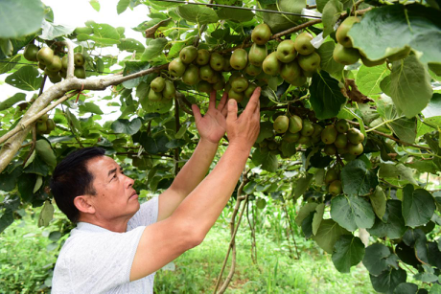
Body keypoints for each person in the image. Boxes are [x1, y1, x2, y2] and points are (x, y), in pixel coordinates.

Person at [50, 88, 261, 293]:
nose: (129, 180)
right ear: (85, 203)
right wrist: (241, 145)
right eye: (114, 177)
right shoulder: (87, 251)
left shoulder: (126, 225)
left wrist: (209, 141)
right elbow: (188, 230)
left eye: (122, 172)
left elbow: (178, 192)